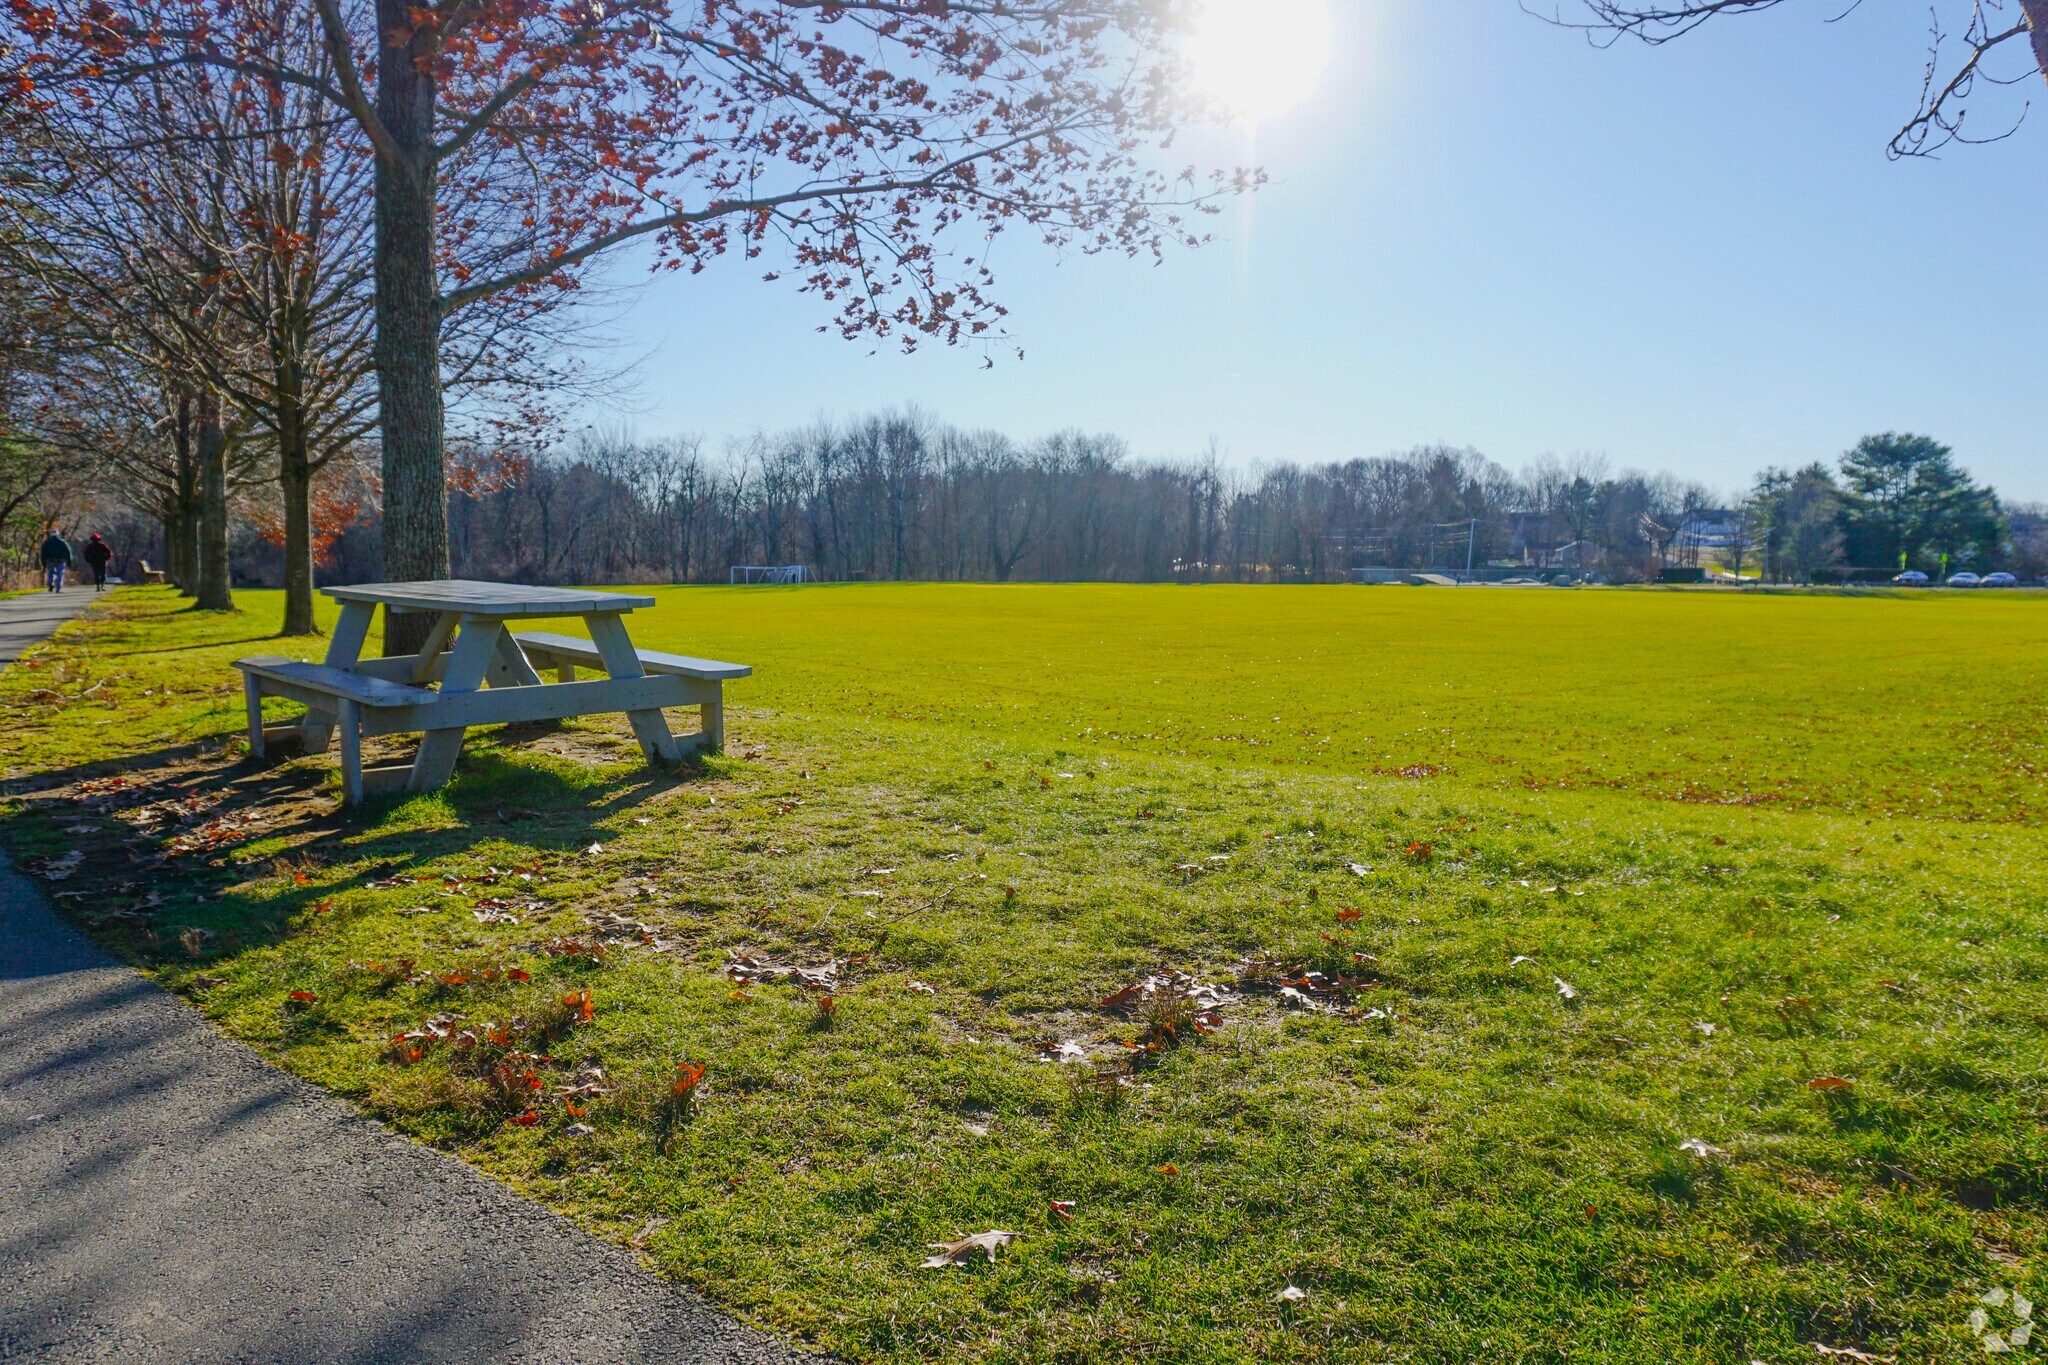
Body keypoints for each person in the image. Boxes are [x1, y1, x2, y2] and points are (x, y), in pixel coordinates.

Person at [38, 526, 72, 593]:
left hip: (50, 560)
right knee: (60, 573)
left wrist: (43, 562)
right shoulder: (62, 542)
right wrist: (69, 560)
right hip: (61, 560)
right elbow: (68, 551)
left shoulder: (46, 543)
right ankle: (58, 588)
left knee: (51, 572)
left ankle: (51, 583)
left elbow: (43, 553)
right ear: (58, 534)